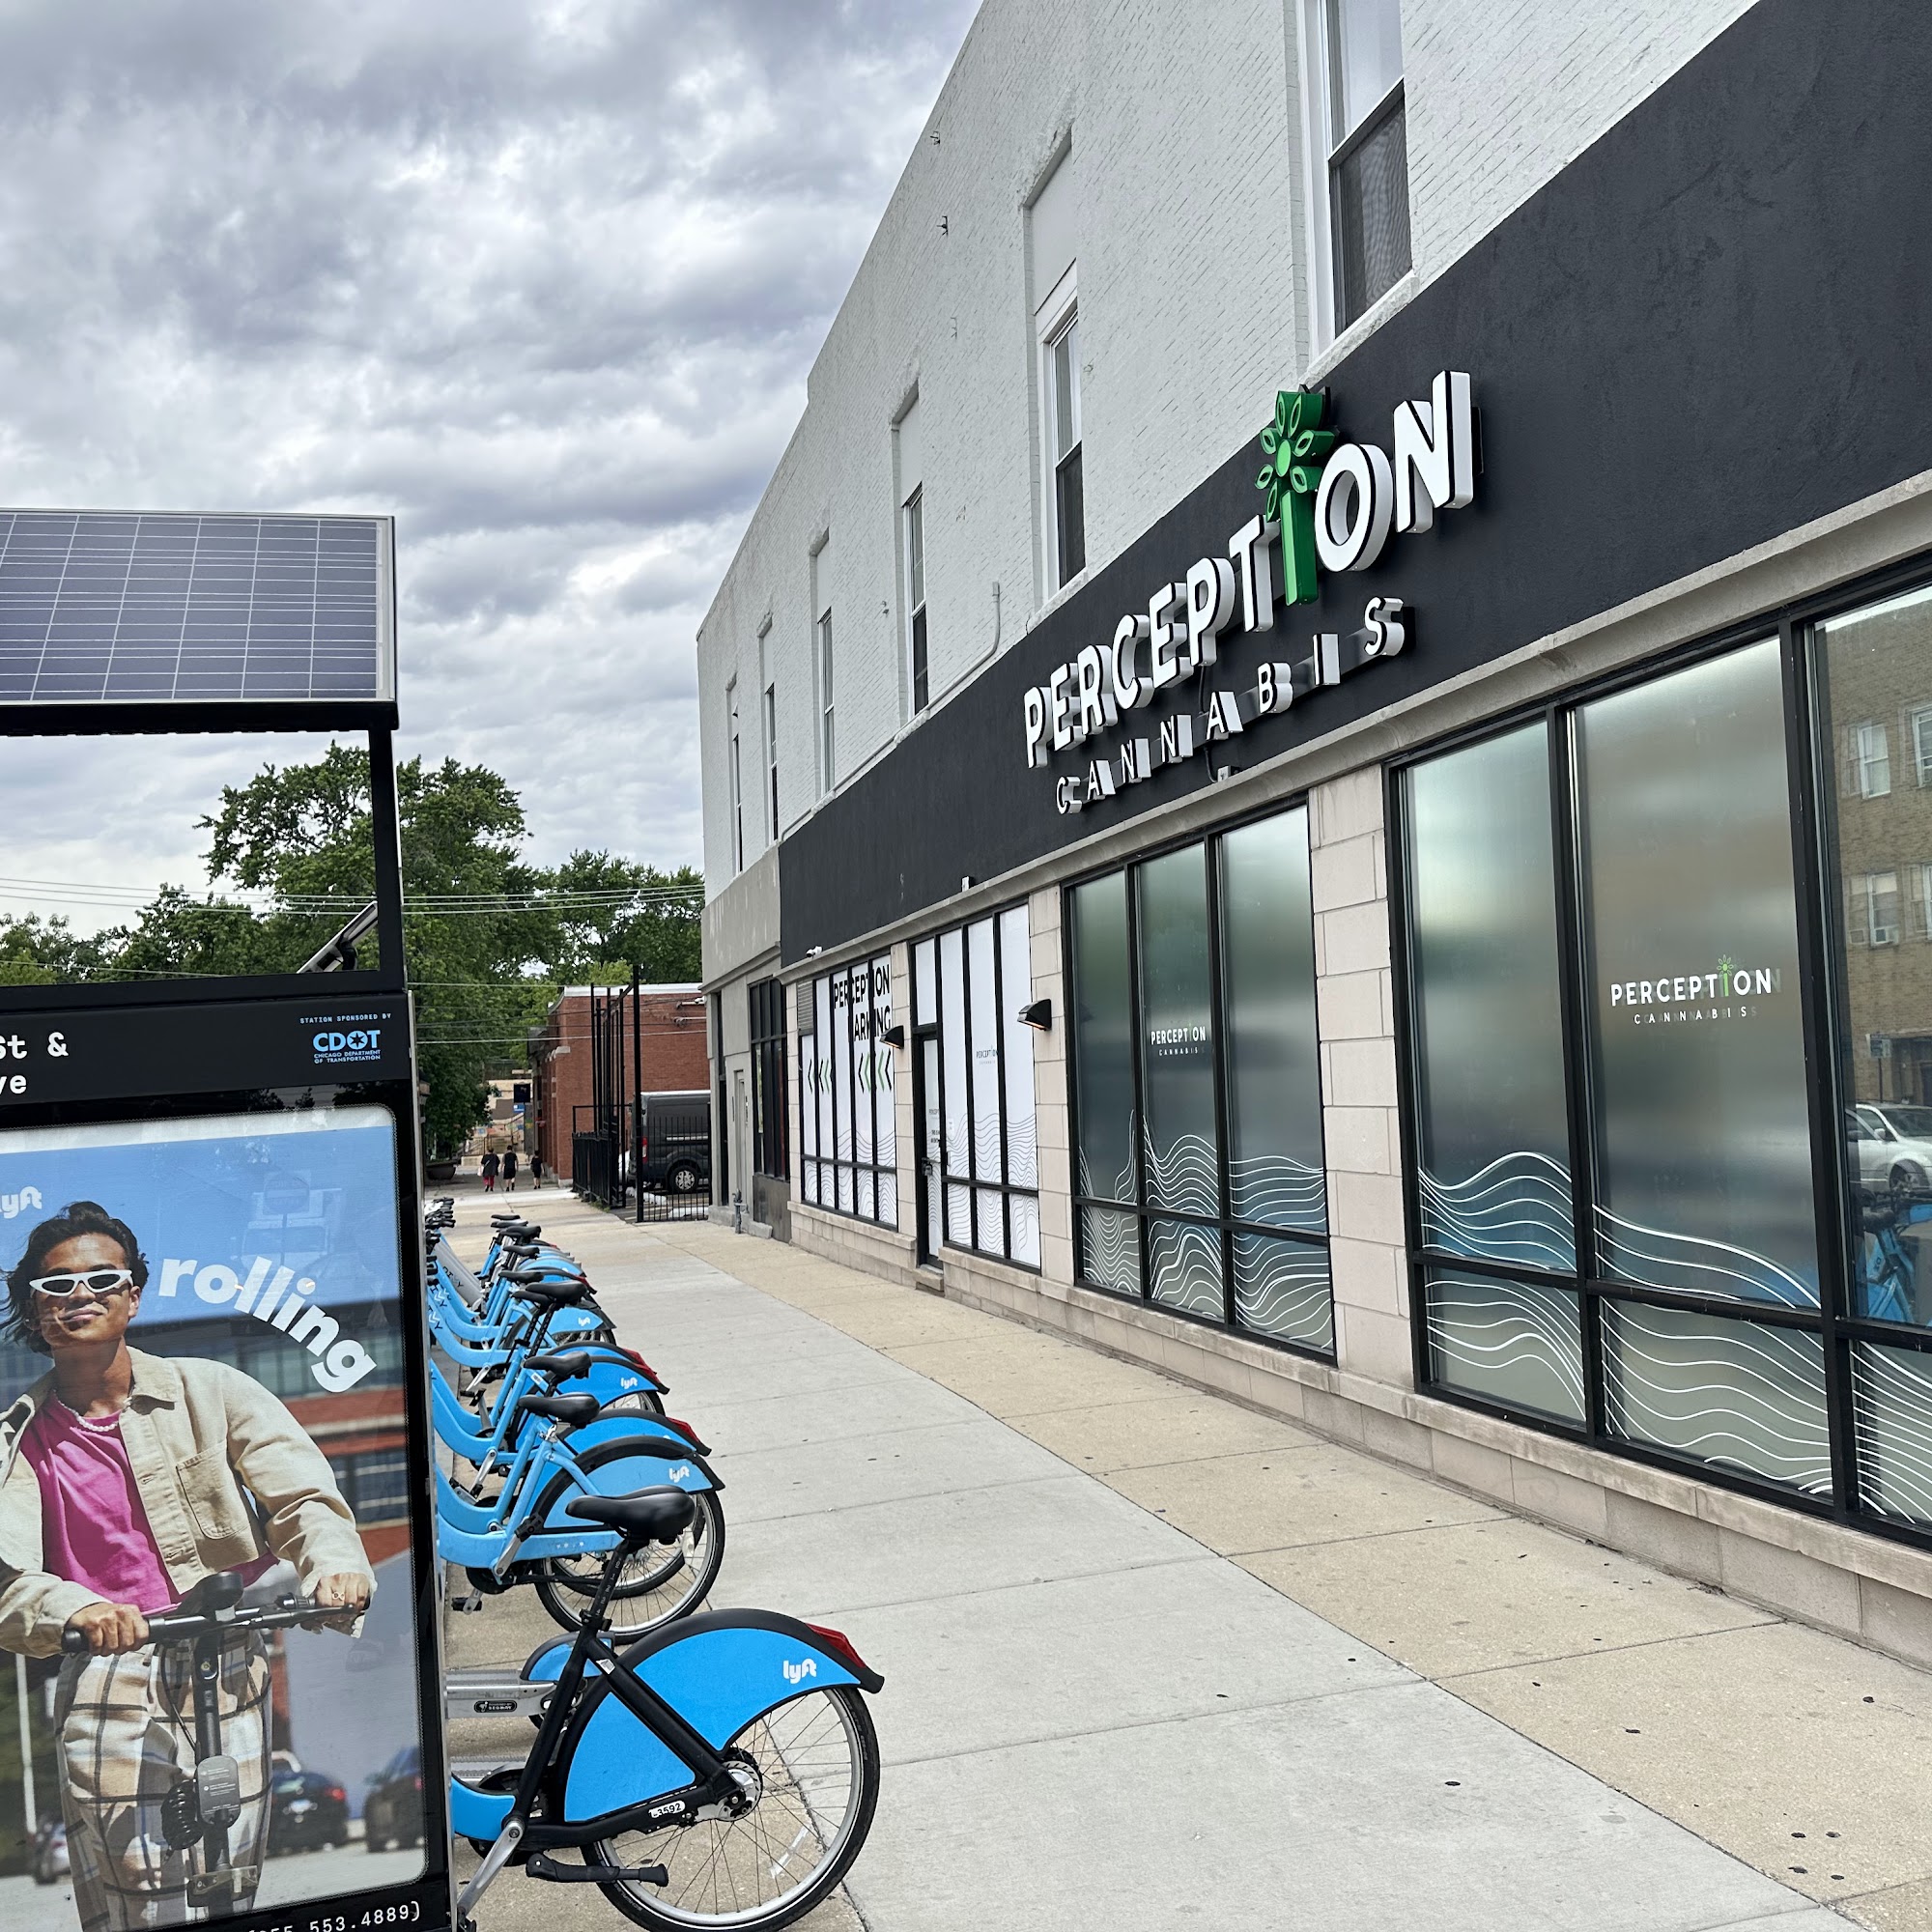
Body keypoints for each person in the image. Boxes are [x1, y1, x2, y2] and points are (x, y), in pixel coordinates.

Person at [0, 1202, 374, 1931]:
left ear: (133, 1295)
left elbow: (302, 1497)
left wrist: (333, 1566)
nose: (80, 1296)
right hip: (107, 1665)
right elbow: (8, 1584)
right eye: (57, 1285)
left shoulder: (212, 1390)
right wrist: (76, 1609)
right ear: (38, 1310)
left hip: (224, 1649)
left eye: (102, 1279)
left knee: (229, 1871)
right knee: (141, 1881)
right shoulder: (15, 1443)